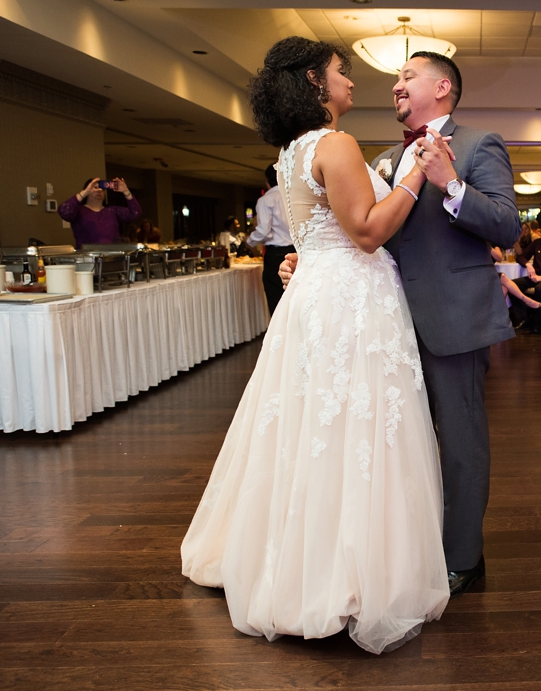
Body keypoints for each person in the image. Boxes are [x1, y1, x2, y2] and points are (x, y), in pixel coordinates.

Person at [182, 38, 450, 655]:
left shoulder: (290, 151)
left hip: (313, 295)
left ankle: (294, 560)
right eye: (341, 72)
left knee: (310, 430)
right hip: (351, 298)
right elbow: (365, 231)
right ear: (313, 80)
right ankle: (345, 579)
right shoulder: (336, 143)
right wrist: (416, 172)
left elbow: (319, 229)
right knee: (354, 430)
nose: (352, 83)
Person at [276, 49, 520, 600]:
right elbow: (358, 230)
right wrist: (306, 258)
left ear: (443, 89)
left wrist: (452, 185)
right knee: (395, 442)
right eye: (395, 79)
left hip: (451, 317)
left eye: (408, 77)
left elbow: (508, 225)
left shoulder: (480, 144)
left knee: (460, 441)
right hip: (381, 324)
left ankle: (462, 558)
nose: (395, 86)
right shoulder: (383, 157)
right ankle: (406, 551)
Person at [246, 164, 295, 316]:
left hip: (276, 255)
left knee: (276, 297)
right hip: (295, 252)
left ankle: (280, 337)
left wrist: (249, 241)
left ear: (267, 181)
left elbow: (263, 231)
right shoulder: (292, 196)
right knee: (292, 296)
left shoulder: (266, 200)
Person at [57, 176, 142, 250]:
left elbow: (135, 213)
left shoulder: (112, 211)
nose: (99, 190)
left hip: (114, 257)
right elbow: (64, 211)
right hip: (87, 258)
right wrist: (85, 192)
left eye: (102, 188)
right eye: (95, 188)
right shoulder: (79, 211)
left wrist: (126, 191)